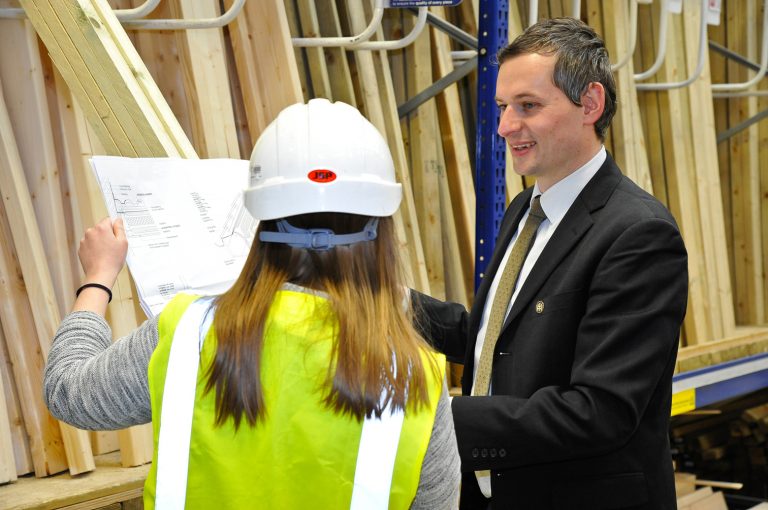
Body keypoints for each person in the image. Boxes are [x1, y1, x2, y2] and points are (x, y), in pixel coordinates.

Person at [44, 99, 460, 509]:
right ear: (381, 232)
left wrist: (98, 276)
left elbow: (68, 391)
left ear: (260, 219)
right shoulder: (415, 379)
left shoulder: (188, 334)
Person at [411, 17, 688, 510]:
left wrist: (435, 421)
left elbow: (598, 411)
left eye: (528, 106)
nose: (504, 126)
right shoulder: (525, 210)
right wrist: (393, 305)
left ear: (591, 104)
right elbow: (497, 342)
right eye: (502, 107)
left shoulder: (638, 235)